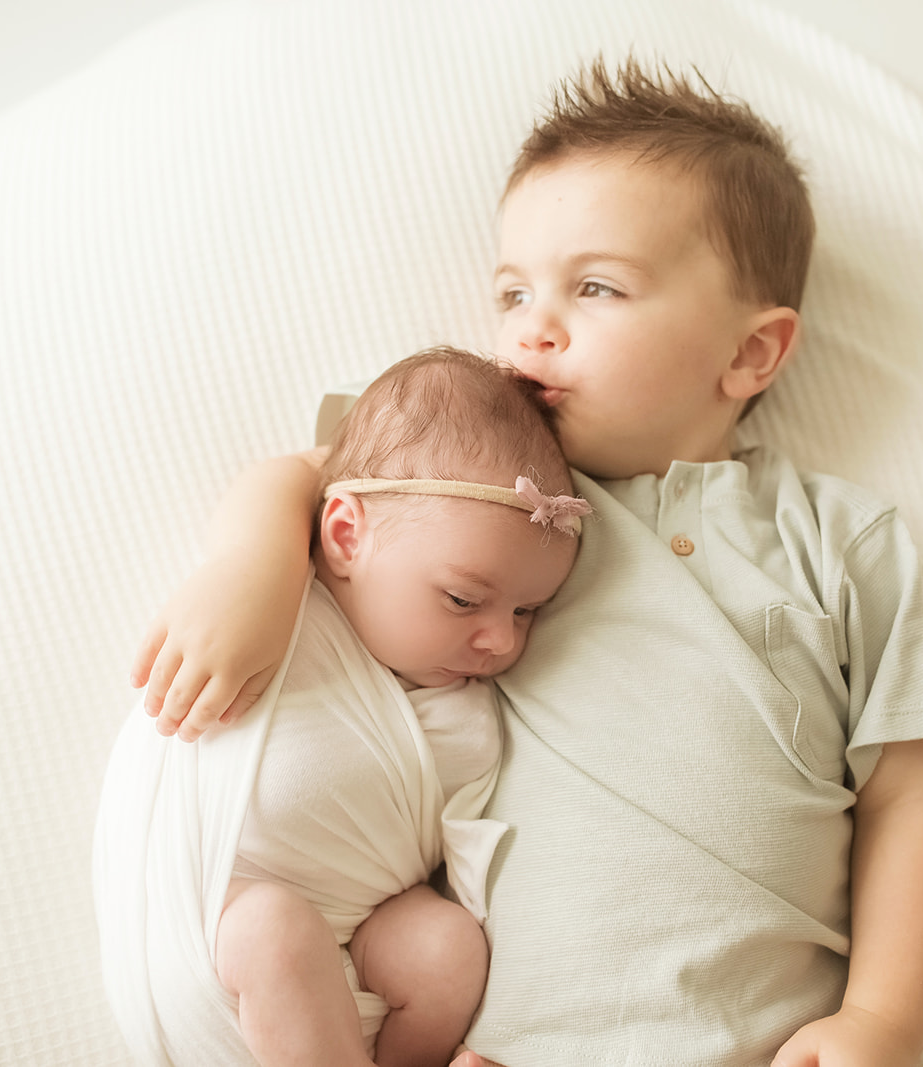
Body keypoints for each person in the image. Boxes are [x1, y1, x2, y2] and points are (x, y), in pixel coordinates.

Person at [129, 58, 923, 1067]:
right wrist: (254, 565)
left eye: (595, 286)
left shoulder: (839, 539)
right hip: (504, 1042)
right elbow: (313, 481)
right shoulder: (488, 490)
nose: (532, 323)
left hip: (756, 1039)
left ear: (751, 354)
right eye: (512, 289)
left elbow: (913, 790)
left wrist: (883, 1017)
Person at [96, 347, 589, 1067]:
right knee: (275, 929)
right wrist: (252, 562)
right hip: (219, 928)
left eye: (527, 610)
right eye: (462, 598)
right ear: (346, 537)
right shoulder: (283, 599)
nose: (499, 639)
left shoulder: (469, 711)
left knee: (449, 948)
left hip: (353, 940)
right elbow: (294, 476)